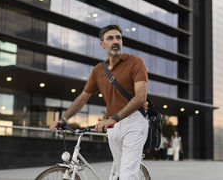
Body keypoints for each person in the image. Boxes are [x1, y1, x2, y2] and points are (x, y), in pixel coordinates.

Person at [50, 24, 149, 180]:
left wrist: (114, 118)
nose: (115, 41)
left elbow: (140, 97)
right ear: (102, 44)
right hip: (113, 126)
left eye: (118, 38)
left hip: (135, 121)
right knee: (120, 171)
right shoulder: (98, 70)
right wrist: (63, 119)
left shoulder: (135, 62)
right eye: (110, 38)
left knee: (128, 175)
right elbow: (83, 97)